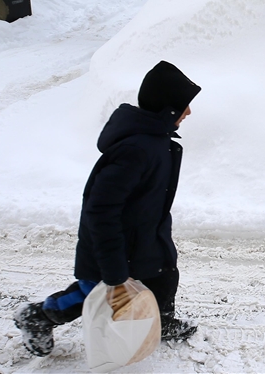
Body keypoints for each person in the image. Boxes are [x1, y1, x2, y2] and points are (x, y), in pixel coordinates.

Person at [14, 60, 202, 357]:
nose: (188, 112)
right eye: (183, 106)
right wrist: (113, 269)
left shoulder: (156, 141)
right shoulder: (136, 150)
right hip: (114, 243)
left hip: (145, 237)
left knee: (164, 276)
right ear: (167, 109)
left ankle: (161, 322)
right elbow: (100, 210)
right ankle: (39, 316)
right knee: (95, 293)